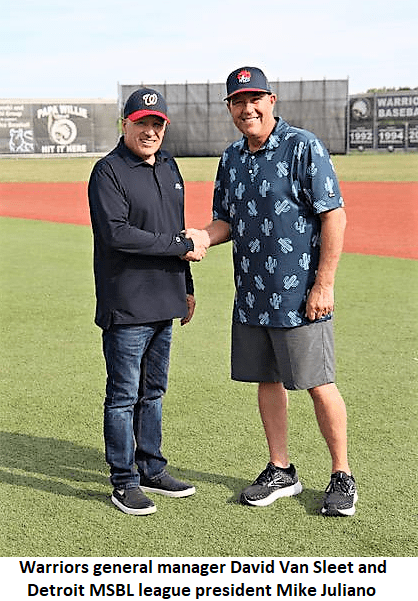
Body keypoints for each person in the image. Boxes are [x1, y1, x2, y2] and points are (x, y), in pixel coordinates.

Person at [186, 67, 357, 517]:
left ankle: (342, 473)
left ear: (271, 101)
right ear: (229, 108)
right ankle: (281, 469)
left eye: (255, 99)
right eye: (238, 101)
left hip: (301, 296)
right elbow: (225, 220)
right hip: (252, 294)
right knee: (267, 380)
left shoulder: (303, 146)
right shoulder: (231, 158)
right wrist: (202, 236)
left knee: (319, 383)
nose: (248, 109)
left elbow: (333, 215)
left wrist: (324, 283)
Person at [88, 88, 207, 515]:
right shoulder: (108, 171)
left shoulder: (170, 166)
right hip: (127, 304)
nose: (150, 131)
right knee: (123, 395)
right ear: (125, 124)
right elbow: (117, 234)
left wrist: (186, 286)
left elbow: (176, 229)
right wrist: (180, 246)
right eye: (142, 123)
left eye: (157, 124)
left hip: (165, 300)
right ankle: (124, 481)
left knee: (153, 392)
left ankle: (152, 468)